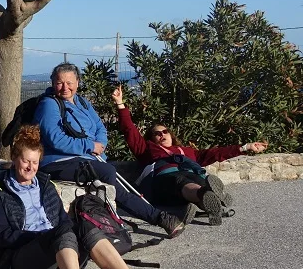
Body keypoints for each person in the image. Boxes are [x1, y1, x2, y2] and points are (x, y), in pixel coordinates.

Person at [0, 125, 163, 269]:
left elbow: (63, 221)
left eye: (35, 162)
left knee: (85, 226)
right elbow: (3, 235)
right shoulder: (0, 190)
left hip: (58, 253)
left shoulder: (46, 185)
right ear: (14, 159)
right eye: (25, 161)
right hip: (26, 260)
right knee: (61, 231)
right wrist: (42, 236)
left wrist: (67, 233)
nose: (31, 167)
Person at [34, 62, 185, 239]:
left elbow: (99, 127)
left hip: (87, 159)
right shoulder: (48, 105)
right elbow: (55, 139)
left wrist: (100, 145)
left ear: (78, 82)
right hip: (58, 162)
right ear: (53, 83)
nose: (65, 87)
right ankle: (157, 218)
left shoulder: (82, 102)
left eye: (70, 82)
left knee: (110, 176)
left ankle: (155, 217)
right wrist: (90, 147)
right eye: (60, 83)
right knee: (107, 173)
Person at [111, 85, 268, 225]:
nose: (162, 135)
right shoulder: (147, 150)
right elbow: (129, 130)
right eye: (156, 134)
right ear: (152, 139)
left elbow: (216, 153)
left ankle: (205, 198)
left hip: (191, 173)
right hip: (163, 181)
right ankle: (208, 196)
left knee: (197, 178)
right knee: (180, 181)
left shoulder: (187, 151)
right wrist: (120, 104)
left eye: (165, 131)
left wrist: (246, 147)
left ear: (171, 135)